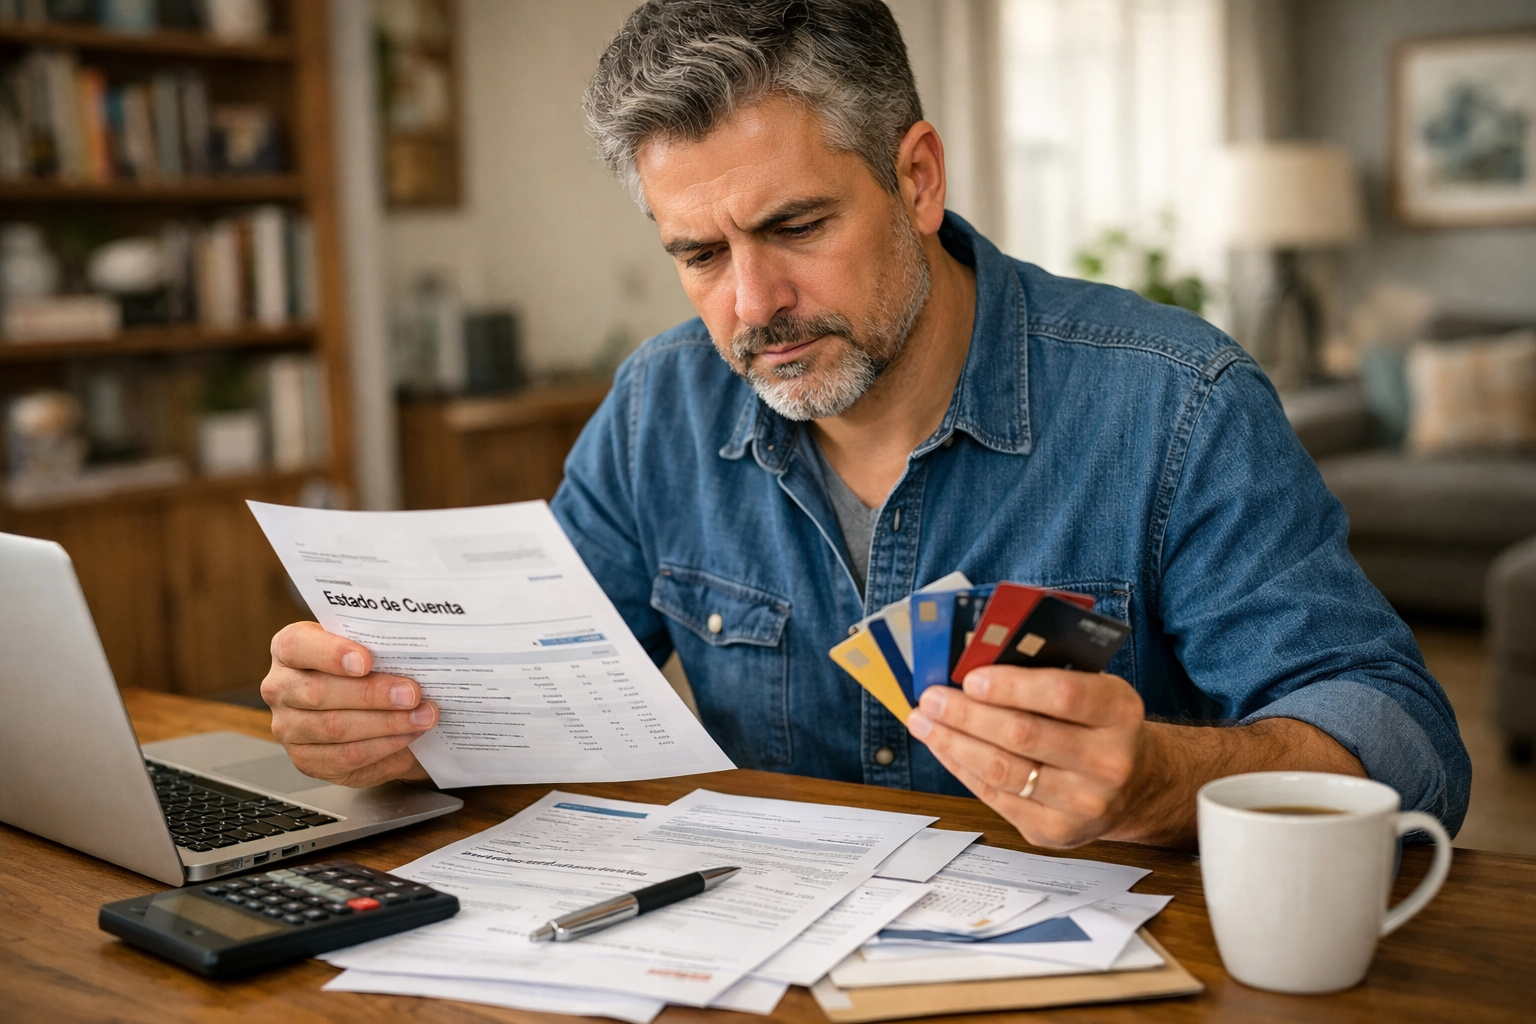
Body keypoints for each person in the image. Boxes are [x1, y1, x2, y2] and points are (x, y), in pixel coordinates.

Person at [261, 0, 1469, 849]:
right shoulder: (660, 405)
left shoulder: (1175, 403)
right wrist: (394, 722)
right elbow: (531, 695)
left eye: (795, 227)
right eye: (697, 252)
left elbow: (1404, 740)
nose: (751, 306)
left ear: (919, 179)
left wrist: (1163, 777)